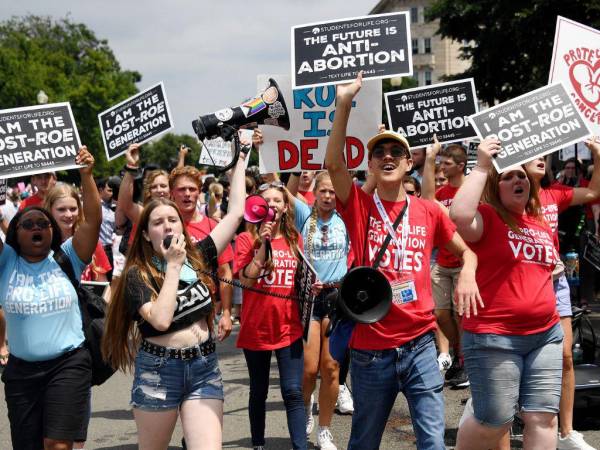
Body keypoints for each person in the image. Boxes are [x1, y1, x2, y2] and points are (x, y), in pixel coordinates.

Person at [325, 72, 480, 450]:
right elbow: (332, 165)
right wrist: (344, 103)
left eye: (396, 152)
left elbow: (467, 251)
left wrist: (468, 273)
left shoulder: (428, 210)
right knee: (363, 442)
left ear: (410, 162)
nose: (388, 157)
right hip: (370, 350)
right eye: (380, 152)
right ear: (371, 165)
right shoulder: (359, 207)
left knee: (432, 442)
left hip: (419, 346)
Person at [102, 150, 246, 450]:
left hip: (204, 366)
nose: (168, 226)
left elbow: (235, 214)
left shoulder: (198, 255)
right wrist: (174, 266)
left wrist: (241, 158)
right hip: (158, 373)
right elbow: (161, 319)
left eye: (173, 220)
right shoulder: (136, 276)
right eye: (157, 222)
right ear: (145, 235)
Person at [450, 137, 564, 450]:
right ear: (496, 188)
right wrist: (484, 166)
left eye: (522, 176)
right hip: (494, 337)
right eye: (508, 177)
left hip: (545, 335)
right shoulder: (488, 217)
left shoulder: (540, 224)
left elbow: (548, 269)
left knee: (543, 416)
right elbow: (458, 217)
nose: (517, 180)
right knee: (495, 419)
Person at [0, 148, 101, 450]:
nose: (35, 228)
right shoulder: (6, 262)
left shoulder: (68, 256)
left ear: (52, 232)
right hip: (21, 373)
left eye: (42, 224)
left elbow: (93, 220)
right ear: (15, 234)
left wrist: (86, 175)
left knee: (58, 445)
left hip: (68, 365)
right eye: (27, 224)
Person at [521, 143, 600, 450]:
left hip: (556, 283)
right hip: (521, 285)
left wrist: (597, 154)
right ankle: (505, 415)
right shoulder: (502, 197)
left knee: (566, 356)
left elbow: (594, 193)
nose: (540, 160)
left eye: (543, 156)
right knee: (519, 355)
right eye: (533, 155)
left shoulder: (555, 193)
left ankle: (566, 433)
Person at [235, 181, 306, 450]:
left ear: (286, 207)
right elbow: (247, 280)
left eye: (278, 200)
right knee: (259, 391)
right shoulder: (245, 240)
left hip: (289, 328)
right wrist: (263, 243)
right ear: (258, 207)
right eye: (267, 201)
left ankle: (300, 446)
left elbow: (303, 279)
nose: (273, 205)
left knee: (293, 391)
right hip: (256, 329)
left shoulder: (294, 239)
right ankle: (258, 443)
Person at [289, 172, 351, 450]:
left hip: (337, 299)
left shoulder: (347, 216)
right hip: (309, 301)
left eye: (332, 191)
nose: (328, 196)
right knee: (308, 369)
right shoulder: (304, 214)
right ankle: (305, 410)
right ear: (315, 192)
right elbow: (284, 192)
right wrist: (287, 166)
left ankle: (324, 430)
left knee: (331, 368)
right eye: (323, 191)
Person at [423, 142, 470, 386]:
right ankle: (459, 351)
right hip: (442, 261)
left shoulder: (472, 191)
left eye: (447, 163)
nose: (443, 166)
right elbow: (427, 199)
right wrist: (430, 158)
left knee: (462, 314)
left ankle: (463, 360)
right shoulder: (441, 195)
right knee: (440, 314)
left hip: (463, 260)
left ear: (461, 166)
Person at [44, 183, 112, 283]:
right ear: (50, 210)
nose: (68, 214)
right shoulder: (41, 245)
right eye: (61, 209)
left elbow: (104, 286)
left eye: (73, 209)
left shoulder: (91, 241)